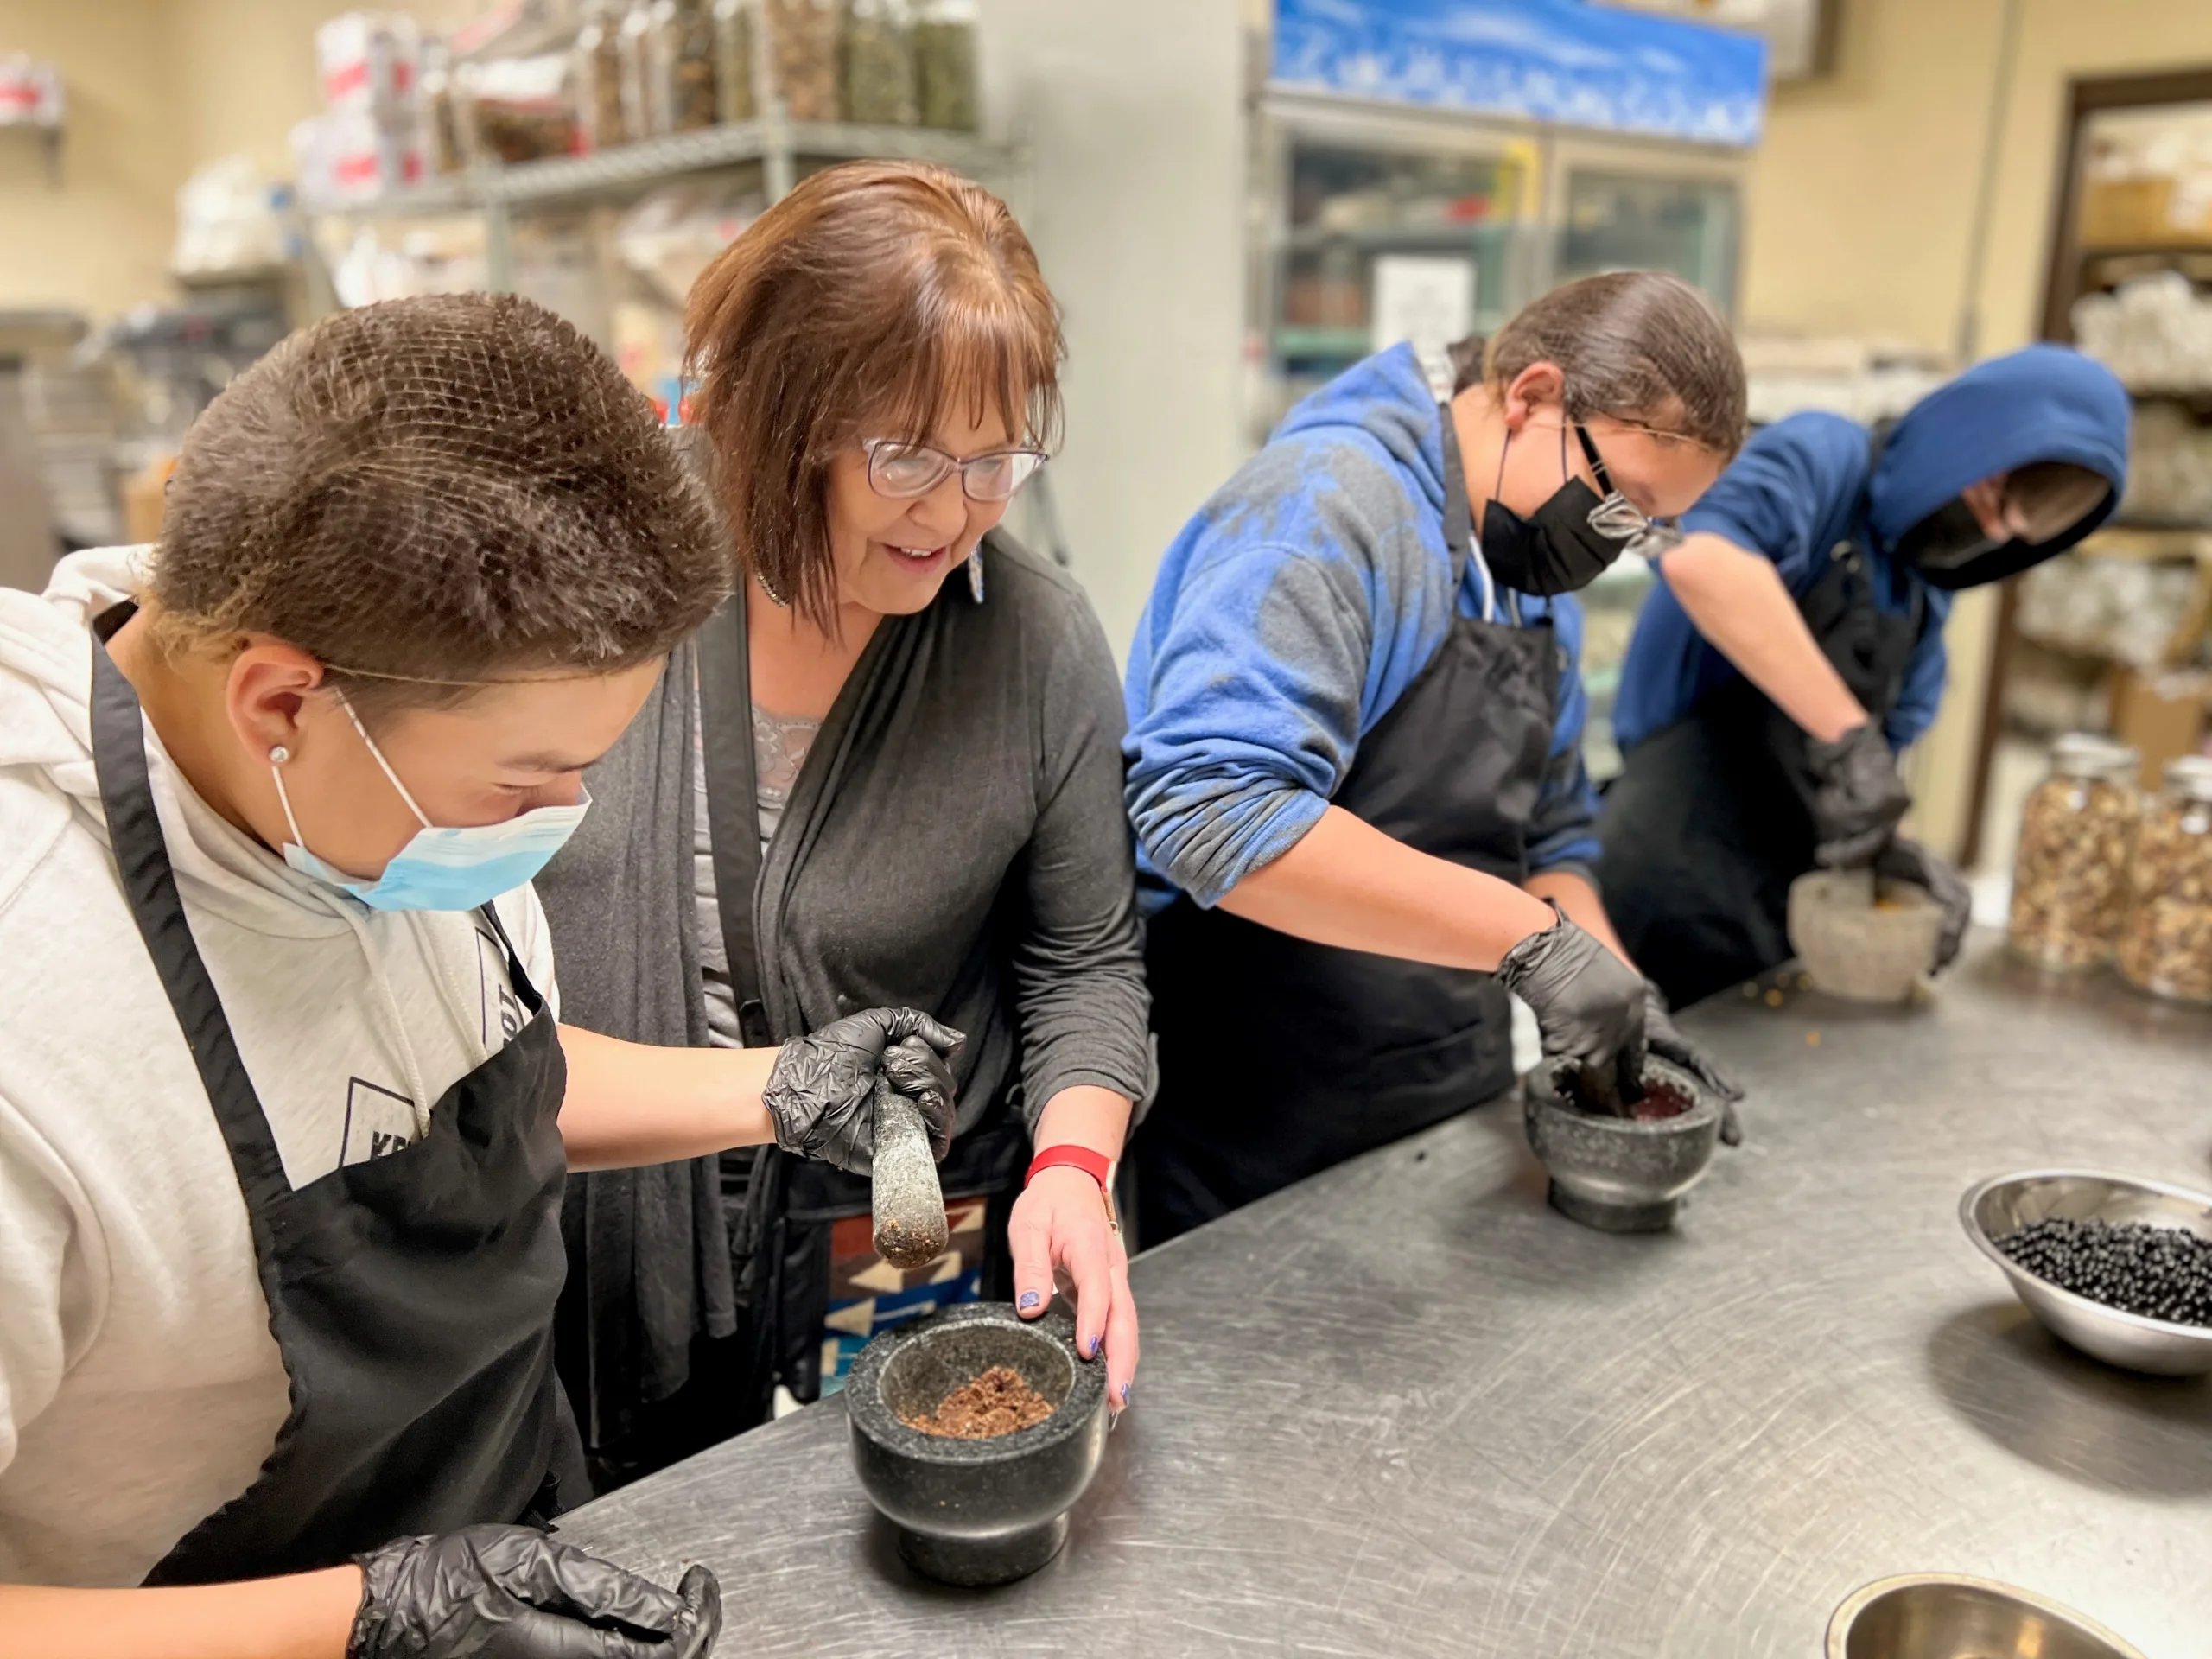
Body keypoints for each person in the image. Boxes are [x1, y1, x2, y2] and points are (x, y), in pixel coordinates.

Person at [0, 294, 960, 1658]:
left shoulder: (377, 776)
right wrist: (368, 1617)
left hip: (513, 1555)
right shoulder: (32, 1022)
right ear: (282, 703)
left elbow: (467, 1084)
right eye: (528, 780)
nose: (561, 816)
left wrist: (778, 1087)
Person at [537, 159, 1147, 1471]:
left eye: (998, 463)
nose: (955, 514)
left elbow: (1083, 958)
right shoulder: (596, 577)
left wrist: (1071, 1172)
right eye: (907, 457)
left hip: (898, 1229)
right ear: (772, 413)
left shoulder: (1032, 643)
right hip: (603, 1221)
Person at [1123, 272, 1749, 1246]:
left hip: (1442, 1084)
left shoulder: (1526, 580)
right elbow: (1211, 811)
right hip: (1259, 1108)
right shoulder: (1326, 513)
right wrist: (1532, 946)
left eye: (1647, 526)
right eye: (1618, 502)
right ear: (1532, 395)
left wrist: (1621, 994)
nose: (1617, 546)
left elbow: (1550, 831)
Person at [1595, 345, 2131, 1007]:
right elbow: (1703, 560)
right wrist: (1847, 733)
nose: (1985, 530)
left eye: (2010, 531)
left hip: (1783, 897)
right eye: (1989, 494)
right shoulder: (1827, 456)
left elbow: (1870, 769)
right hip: (1669, 864)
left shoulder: (1920, 597)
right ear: (1962, 436)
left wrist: (1895, 846)